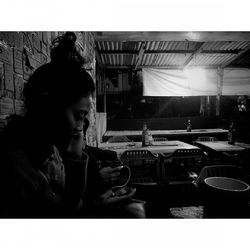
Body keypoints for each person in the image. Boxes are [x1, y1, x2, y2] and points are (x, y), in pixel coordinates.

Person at [0, 32, 139, 218]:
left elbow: (66, 206)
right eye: (78, 116)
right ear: (48, 108)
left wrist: (95, 203)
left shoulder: (49, 153)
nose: (80, 127)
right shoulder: (15, 170)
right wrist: (76, 161)